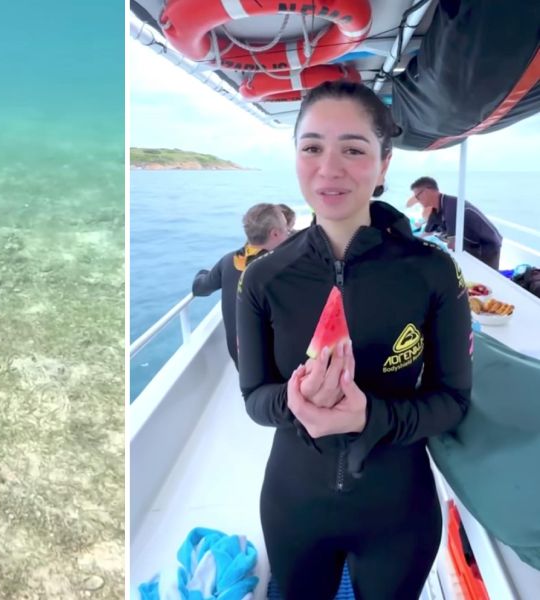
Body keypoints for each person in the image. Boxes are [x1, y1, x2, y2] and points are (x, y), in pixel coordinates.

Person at [236, 81, 472, 599]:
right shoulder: (263, 279)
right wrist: (293, 400)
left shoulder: (432, 272)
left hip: (399, 511)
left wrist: (370, 417)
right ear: (296, 155)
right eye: (313, 147)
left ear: (384, 163)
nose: (329, 167)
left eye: (353, 149)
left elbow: (452, 401)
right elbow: (255, 398)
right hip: (294, 505)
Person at [192, 203, 289, 368]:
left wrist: (203, 273)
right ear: (275, 233)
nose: (288, 234)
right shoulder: (283, 267)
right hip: (277, 365)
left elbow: (199, 288)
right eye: (286, 229)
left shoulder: (228, 261)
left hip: (242, 363)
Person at [407, 176, 503, 269]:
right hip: (470, 246)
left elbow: (453, 244)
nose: (417, 200)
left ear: (427, 192)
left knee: (484, 280)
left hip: (487, 246)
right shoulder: (436, 209)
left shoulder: (452, 206)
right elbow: (426, 233)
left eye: (417, 196)